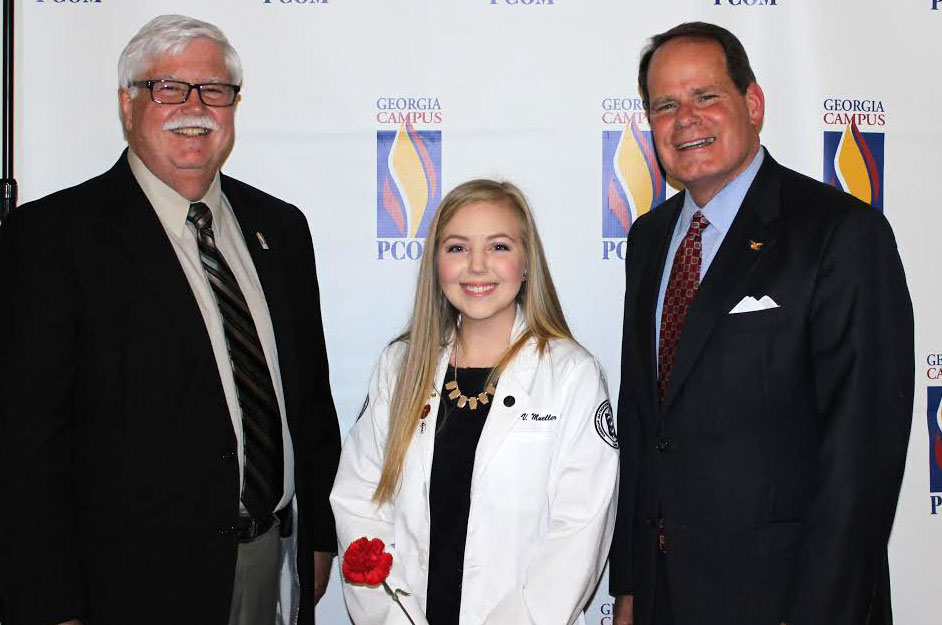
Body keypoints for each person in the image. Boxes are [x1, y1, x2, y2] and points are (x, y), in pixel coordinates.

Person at [0, 15, 340, 625]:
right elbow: (27, 444)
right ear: (128, 106)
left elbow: (310, 398)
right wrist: (51, 603)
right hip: (125, 583)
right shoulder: (51, 239)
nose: (195, 107)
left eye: (214, 90)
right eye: (168, 88)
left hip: (269, 562)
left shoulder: (281, 230)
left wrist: (317, 532)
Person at [608, 22, 914, 625]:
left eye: (706, 96)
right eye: (665, 105)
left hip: (789, 598)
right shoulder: (648, 240)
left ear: (753, 104)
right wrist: (632, 589)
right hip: (666, 595)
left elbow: (863, 452)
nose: (685, 118)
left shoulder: (841, 234)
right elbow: (645, 426)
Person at [330, 179, 619, 624]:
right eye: (457, 248)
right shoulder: (399, 366)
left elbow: (578, 532)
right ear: (436, 265)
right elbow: (359, 502)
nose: (477, 267)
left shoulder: (571, 375)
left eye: (499, 247)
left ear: (527, 264)